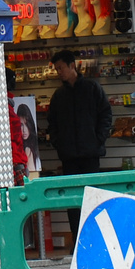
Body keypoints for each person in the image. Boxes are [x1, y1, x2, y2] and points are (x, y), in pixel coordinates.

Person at [45, 50, 112, 242]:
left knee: (92, 198)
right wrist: (59, 143)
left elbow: (106, 115)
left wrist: (98, 138)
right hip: (69, 156)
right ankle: (77, 240)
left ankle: (94, 239)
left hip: (90, 154)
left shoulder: (92, 88)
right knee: (72, 201)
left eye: (61, 68)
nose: (59, 72)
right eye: (56, 69)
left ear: (72, 65)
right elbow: (52, 123)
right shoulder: (58, 96)